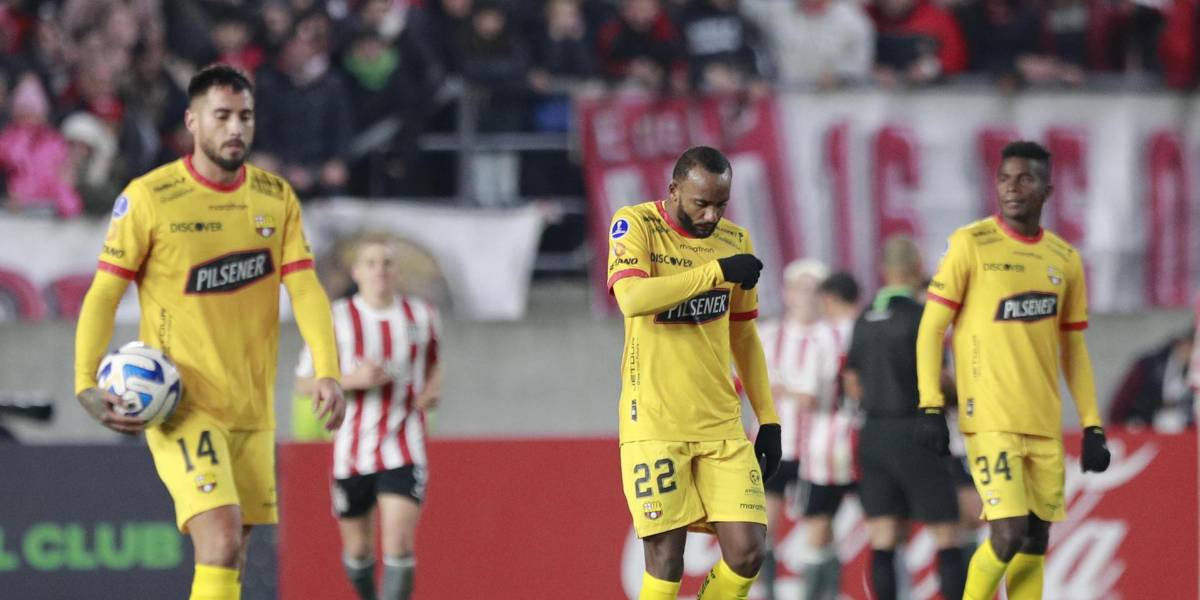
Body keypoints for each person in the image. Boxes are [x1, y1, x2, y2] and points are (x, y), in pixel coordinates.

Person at [73, 64, 345, 600]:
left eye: (245, 116)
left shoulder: (275, 198)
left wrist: (328, 371)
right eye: (221, 116)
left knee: (233, 556)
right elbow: (104, 293)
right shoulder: (151, 197)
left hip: (251, 403)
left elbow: (306, 290)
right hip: (182, 403)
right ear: (192, 121)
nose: (236, 128)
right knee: (219, 540)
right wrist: (84, 380)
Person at [915, 140, 1111, 600]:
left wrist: (1092, 423)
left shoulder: (1064, 259)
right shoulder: (971, 244)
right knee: (1006, 533)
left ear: (1047, 189)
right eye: (1004, 178)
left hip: (1042, 420)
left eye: (1025, 178)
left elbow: (1074, 348)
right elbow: (930, 330)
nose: (1012, 188)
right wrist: (928, 406)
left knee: (1034, 541)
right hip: (990, 419)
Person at [607, 146, 780, 599]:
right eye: (701, 202)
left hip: (721, 425)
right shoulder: (636, 224)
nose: (710, 215)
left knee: (747, 552)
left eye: (720, 204)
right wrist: (714, 272)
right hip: (656, 424)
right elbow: (633, 299)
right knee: (666, 558)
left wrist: (770, 418)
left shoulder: (736, 240)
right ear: (674, 190)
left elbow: (744, 336)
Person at [295, 233, 442, 600]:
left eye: (387, 263)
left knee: (398, 543)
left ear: (397, 271)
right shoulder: (336, 320)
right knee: (358, 549)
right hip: (352, 448)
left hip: (403, 443)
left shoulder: (421, 317)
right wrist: (351, 380)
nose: (380, 270)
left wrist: (431, 391)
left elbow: (434, 364)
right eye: (371, 263)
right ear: (357, 272)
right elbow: (302, 382)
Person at [844, 235, 964, 600]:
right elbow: (940, 380)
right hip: (917, 431)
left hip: (874, 433)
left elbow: (851, 381)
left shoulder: (864, 318)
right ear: (917, 269)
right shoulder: (923, 316)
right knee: (946, 533)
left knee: (883, 536)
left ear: (884, 271)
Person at [757, 258, 840, 600]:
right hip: (774, 445)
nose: (806, 295)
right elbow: (753, 383)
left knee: (818, 532)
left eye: (814, 288)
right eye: (800, 287)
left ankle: (819, 593)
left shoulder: (832, 336)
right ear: (788, 293)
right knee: (760, 529)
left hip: (817, 448)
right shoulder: (767, 335)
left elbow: (819, 394)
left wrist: (785, 389)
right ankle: (766, 592)